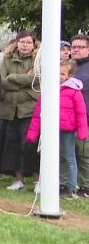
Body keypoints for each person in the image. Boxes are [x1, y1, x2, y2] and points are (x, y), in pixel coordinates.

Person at [27, 59, 87, 200]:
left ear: (69, 76)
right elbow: (38, 114)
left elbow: (81, 113)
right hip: (51, 129)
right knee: (56, 157)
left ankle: (71, 187)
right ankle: (60, 184)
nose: (58, 76)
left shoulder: (74, 91)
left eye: (62, 73)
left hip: (67, 129)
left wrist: (83, 131)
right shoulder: (48, 90)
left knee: (69, 157)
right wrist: (33, 133)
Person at [0, 31, 40, 192]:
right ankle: (19, 180)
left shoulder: (38, 59)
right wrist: (21, 80)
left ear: (34, 44)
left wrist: (12, 77)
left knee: (30, 145)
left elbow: (36, 80)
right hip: (9, 109)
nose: (25, 45)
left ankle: (38, 181)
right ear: (17, 43)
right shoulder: (7, 58)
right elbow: (1, 81)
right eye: (22, 42)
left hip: (29, 110)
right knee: (12, 145)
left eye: (28, 42)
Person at [70, 34, 89, 196]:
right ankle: (71, 184)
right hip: (69, 119)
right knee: (71, 153)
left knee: (84, 155)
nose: (76, 49)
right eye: (74, 46)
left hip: (85, 119)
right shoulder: (68, 67)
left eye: (80, 47)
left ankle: (86, 187)